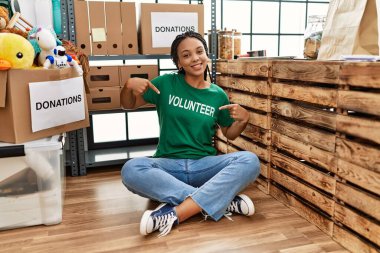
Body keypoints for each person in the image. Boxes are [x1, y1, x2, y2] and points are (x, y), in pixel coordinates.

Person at [120, 31, 260, 237]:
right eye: (186, 55)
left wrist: (244, 120)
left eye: (199, 51)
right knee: (131, 169)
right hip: (168, 166)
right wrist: (128, 87)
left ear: (206, 55)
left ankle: (176, 212)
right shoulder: (165, 84)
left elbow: (229, 134)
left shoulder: (217, 95)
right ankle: (222, 201)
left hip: (205, 166)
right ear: (179, 63)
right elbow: (127, 105)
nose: (195, 58)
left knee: (250, 161)